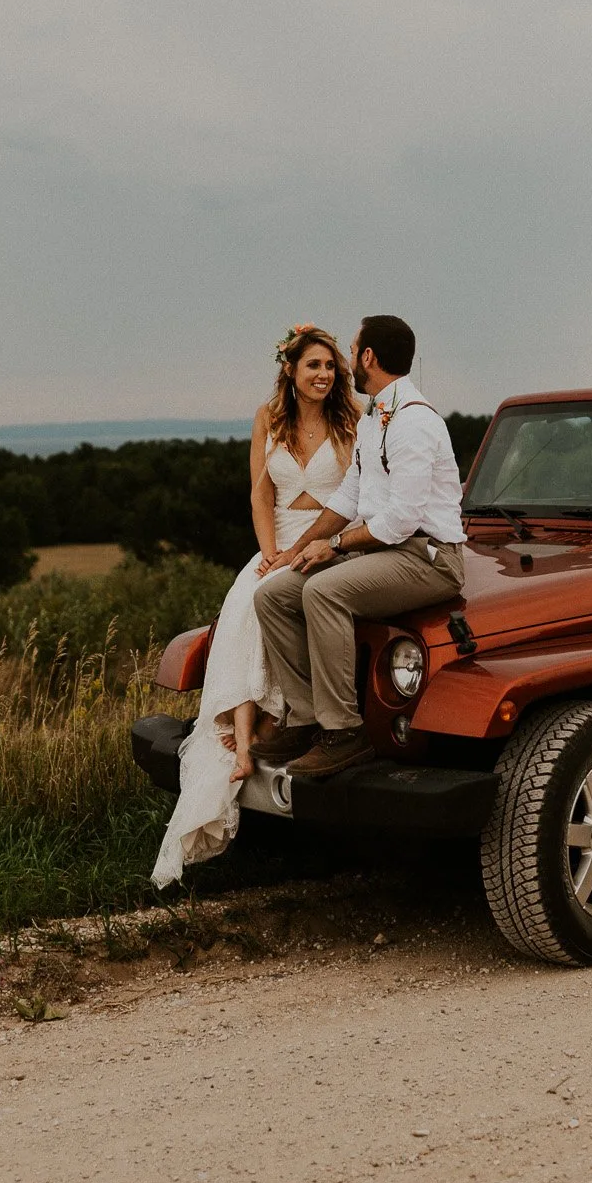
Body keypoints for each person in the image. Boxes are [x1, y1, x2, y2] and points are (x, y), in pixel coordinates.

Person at [150, 324, 360, 886]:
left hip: (327, 539)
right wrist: (270, 552)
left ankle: (281, 725)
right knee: (244, 608)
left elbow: (358, 496)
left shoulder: (352, 418)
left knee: (292, 601)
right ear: (290, 370)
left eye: (330, 367)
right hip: (279, 542)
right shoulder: (268, 417)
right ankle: (244, 744)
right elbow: (260, 492)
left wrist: (304, 549)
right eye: (312, 366)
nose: (323, 376)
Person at [252, 314, 465, 779]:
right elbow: (348, 495)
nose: (348, 360)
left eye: (351, 350)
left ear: (368, 357)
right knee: (273, 593)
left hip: (427, 558)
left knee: (323, 592)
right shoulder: (373, 419)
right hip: (385, 552)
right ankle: (307, 717)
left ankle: (344, 733)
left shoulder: (414, 422)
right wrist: (296, 551)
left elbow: (400, 521)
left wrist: (333, 545)